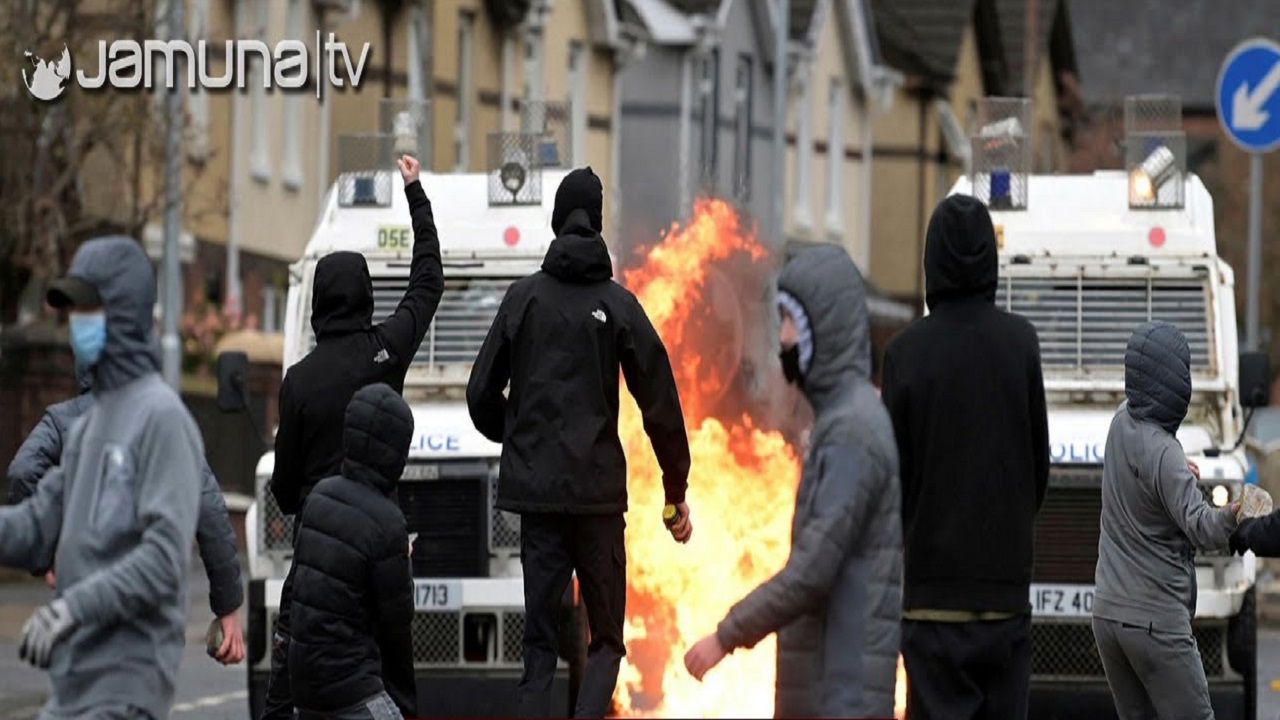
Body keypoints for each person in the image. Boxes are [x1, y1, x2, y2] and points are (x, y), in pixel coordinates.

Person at [466, 166, 693, 718]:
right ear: (595, 224)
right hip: (596, 506)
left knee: (539, 650)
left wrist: (518, 437)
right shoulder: (618, 306)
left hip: (538, 506)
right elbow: (659, 399)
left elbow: (479, 394)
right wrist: (675, 489)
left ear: (555, 222)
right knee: (607, 643)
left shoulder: (523, 301)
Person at [682, 244, 903, 717]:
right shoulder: (842, 421)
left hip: (840, 697)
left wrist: (727, 634)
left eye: (788, 322)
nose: (780, 338)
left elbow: (813, 571)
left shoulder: (852, 434)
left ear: (820, 331)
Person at [262, 154, 443, 720]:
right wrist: (415, 193)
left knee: (288, 689)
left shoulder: (299, 382)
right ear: (365, 295)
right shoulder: (383, 353)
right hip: (380, 549)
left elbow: (286, 491)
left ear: (317, 303)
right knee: (376, 678)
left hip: (316, 559)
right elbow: (428, 281)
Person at [0, 235, 205, 720]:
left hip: (125, 690)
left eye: (87, 310)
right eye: (72, 313)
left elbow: (162, 559)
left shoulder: (162, 419)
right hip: (72, 689)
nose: (76, 325)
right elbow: (34, 526)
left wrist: (71, 609)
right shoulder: (91, 425)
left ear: (125, 314)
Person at [880, 194, 1050, 720]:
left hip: (932, 595)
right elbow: (1037, 463)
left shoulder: (904, 354)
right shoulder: (1020, 344)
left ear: (931, 260)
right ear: (991, 264)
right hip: (1005, 592)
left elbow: (894, 478)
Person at [7, 363, 246, 665]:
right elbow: (208, 507)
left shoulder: (63, 421)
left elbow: (22, 472)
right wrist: (228, 607)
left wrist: (45, 557)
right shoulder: (163, 420)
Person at [1092, 320, 1242, 720]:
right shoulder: (1166, 453)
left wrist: (1177, 476)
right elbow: (1204, 530)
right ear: (1176, 380)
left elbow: (1142, 480)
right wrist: (1234, 513)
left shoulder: (1119, 422)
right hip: (1156, 622)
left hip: (1107, 615)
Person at [289, 383, 416, 720]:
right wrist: (404, 560)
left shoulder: (318, 497)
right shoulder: (387, 521)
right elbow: (397, 620)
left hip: (303, 687)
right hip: (351, 689)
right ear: (396, 452)